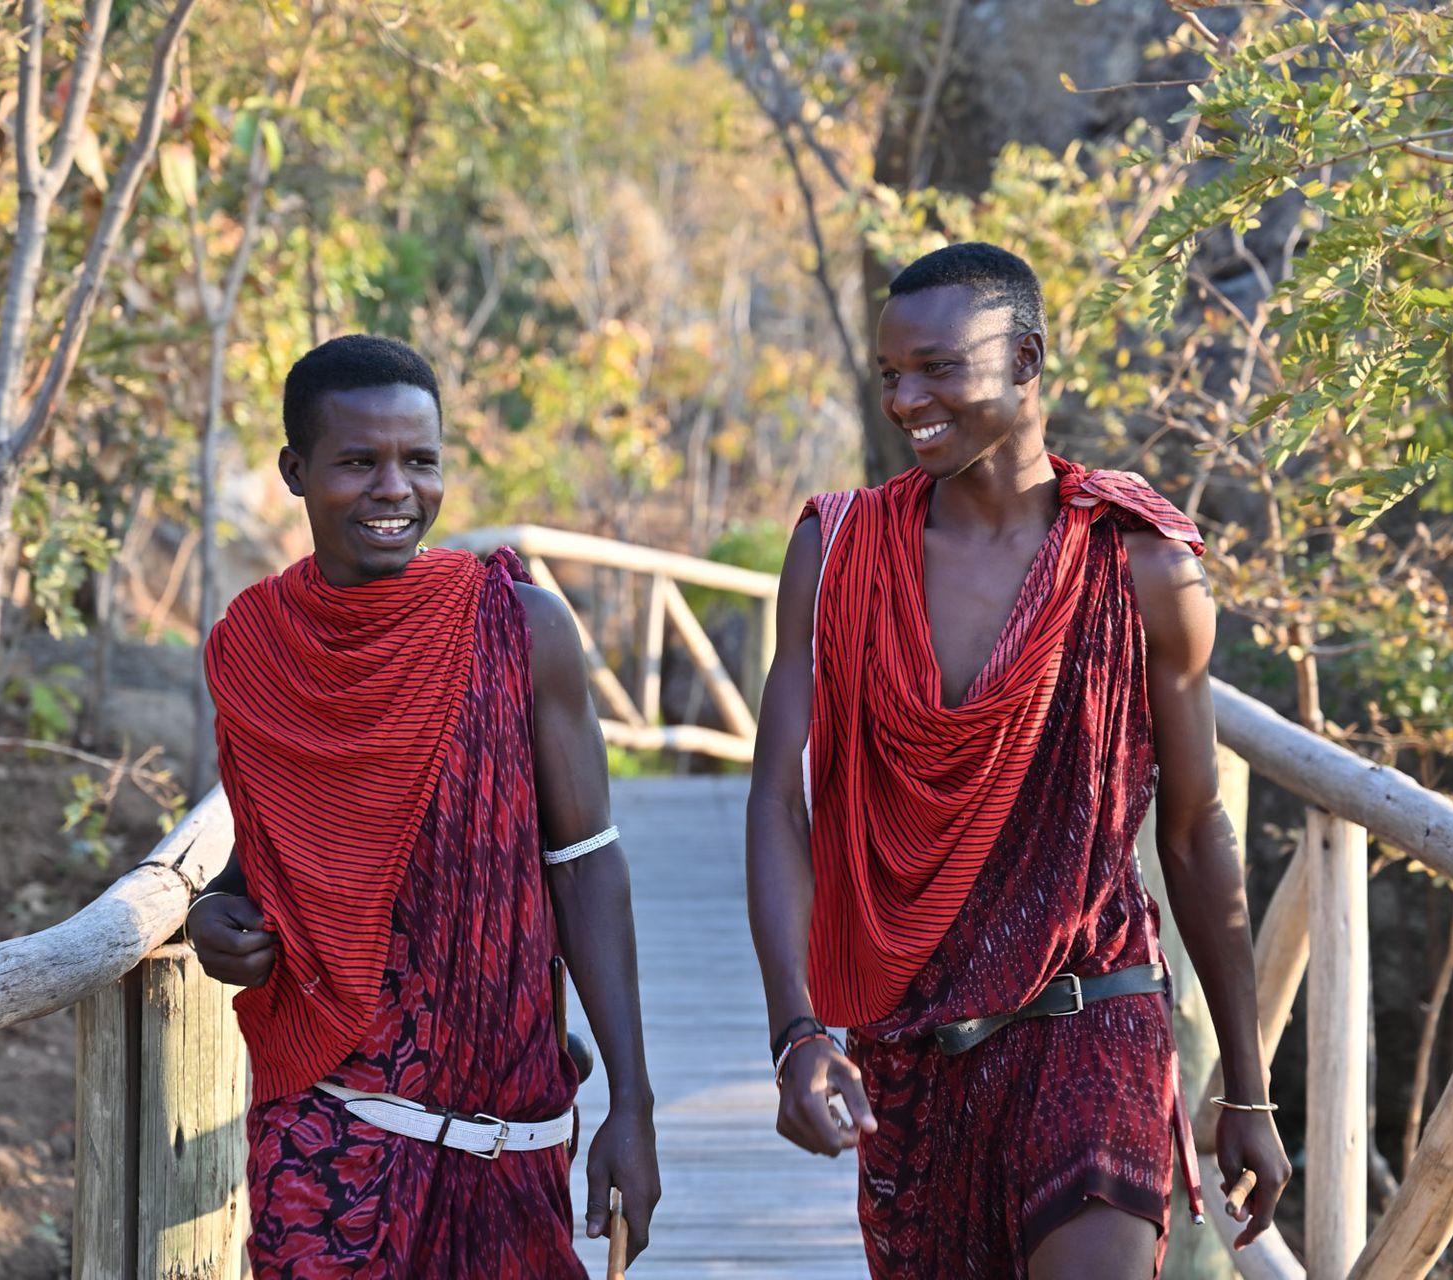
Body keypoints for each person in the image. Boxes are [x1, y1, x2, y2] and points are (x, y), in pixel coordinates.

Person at [745, 243, 1291, 1278]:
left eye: (940, 367)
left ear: (1028, 358)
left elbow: (1193, 826)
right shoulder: (837, 550)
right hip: (912, 1051)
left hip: (1091, 1011)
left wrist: (1251, 1090)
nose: (908, 399)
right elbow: (780, 798)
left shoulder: (1140, 564)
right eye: (891, 374)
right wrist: (796, 1028)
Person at [185, 334, 660, 1279]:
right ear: (296, 471)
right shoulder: (252, 648)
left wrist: (634, 1106)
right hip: (327, 1127)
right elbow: (262, 859)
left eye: (420, 461)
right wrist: (212, 919)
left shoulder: (520, 628)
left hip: (507, 1133)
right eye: (359, 462)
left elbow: (586, 861)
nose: (395, 488)